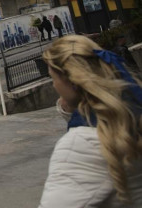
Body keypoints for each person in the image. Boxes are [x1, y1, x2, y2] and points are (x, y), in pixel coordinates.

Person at [39, 35, 142, 206]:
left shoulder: (80, 144)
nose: (54, 86)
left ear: (71, 81)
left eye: (53, 78)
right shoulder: (131, 114)